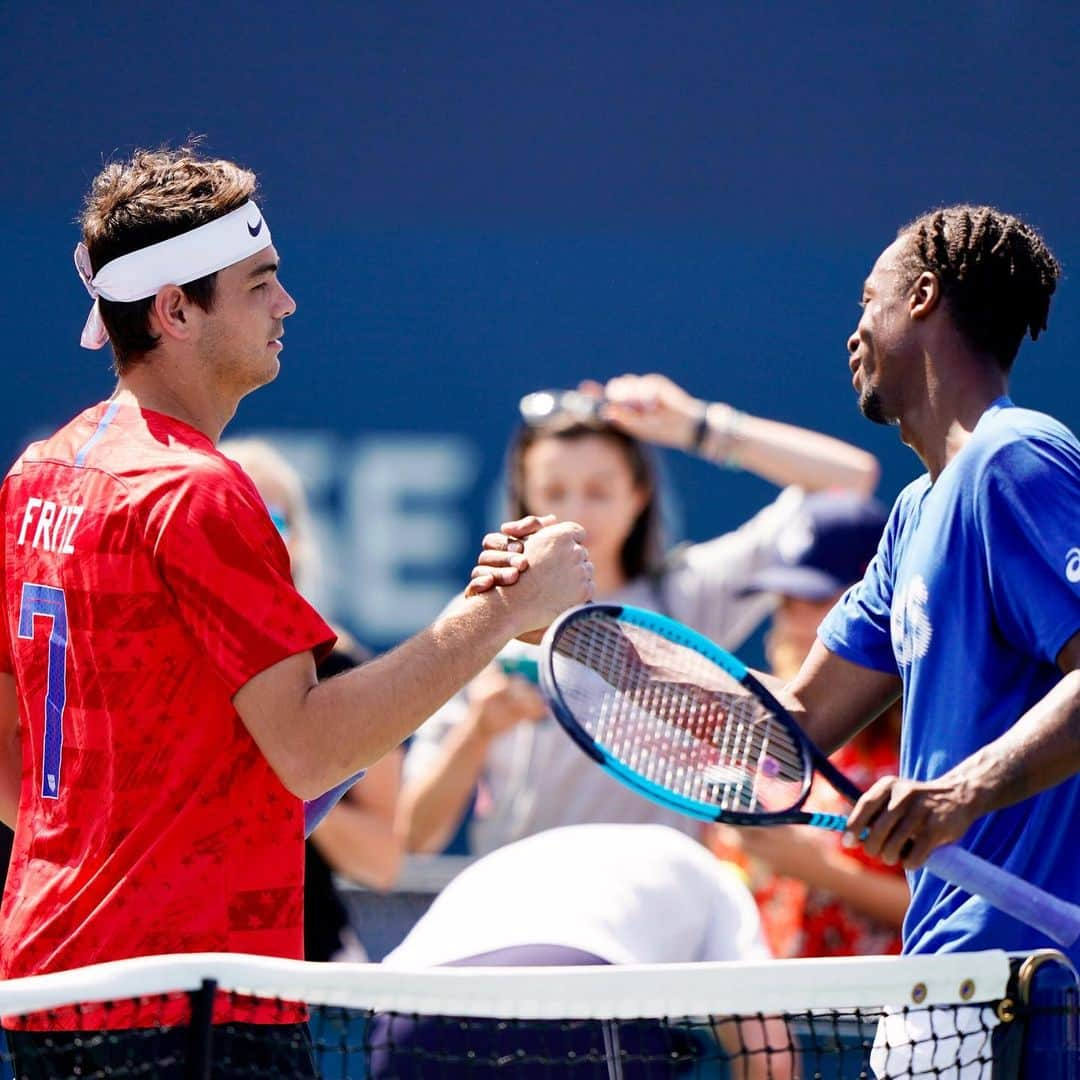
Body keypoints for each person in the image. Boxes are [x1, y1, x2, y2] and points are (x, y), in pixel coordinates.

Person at [0, 146, 592, 1077]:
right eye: (260, 283)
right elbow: (312, 747)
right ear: (176, 311)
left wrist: (192, 821)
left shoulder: (37, 477)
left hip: (51, 987)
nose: (288, 304)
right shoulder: (194, 492)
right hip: (193, 1004)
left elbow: (13, 770)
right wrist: (498, 613)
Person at [482, 206, 1080, 973]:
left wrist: (956, 794)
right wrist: (585, 635)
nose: (853, 330)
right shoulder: (914, 514)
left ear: (924, 297)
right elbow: (791, 727)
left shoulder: (1017, 456)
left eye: (870, 300)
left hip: (1034, 974)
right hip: (940, 972)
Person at [398, 373, 879, 855]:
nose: (575, 513)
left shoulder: (687, 594)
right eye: (553, 491)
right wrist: (477, 730)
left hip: (662, 906)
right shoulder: (484, 616)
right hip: (524, 904)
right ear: (525, 497)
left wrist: (696, 425)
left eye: (599, 491)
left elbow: (850, 481)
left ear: (640, 496)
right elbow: (415, 837)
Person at [371, 823, 793, 1080]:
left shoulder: (539, 853)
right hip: (573, 1000)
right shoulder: (714, 875)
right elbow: (767, 1048)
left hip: (410, 1014)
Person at [219, 436, 402, 962]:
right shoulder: (157, 660)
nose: (254, 536)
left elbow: (382, 861)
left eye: (272, 519)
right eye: (234, 516)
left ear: (300, 540)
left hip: (309, 969)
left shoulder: (343, 668)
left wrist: (292, 771)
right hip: (171, 963)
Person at [708, 491, 909, 959]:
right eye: (786, 600)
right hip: (768, 1016)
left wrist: (816, 868)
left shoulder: (926, 743)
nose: (797, 620)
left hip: (890, 1016)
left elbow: (962, 913)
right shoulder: (760, 744)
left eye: (818, 599)